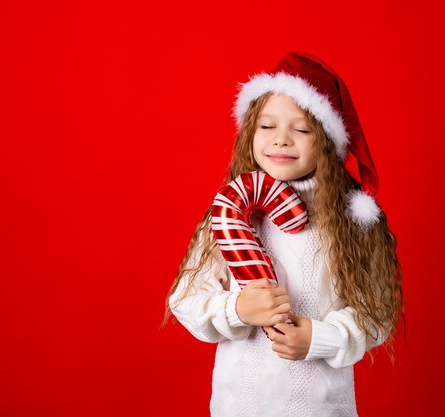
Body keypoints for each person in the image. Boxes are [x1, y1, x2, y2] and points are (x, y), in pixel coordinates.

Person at [162, 52, 404, 417]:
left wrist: (317, 338)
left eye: (302, 129)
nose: (281, 140)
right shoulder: (229, 214)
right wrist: (237, 308)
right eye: (267, 126)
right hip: (238, 406)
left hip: (321, 409)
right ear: (250, 132)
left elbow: (376, 314)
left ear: (327, 140)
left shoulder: (351, 223)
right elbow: (186, 299)